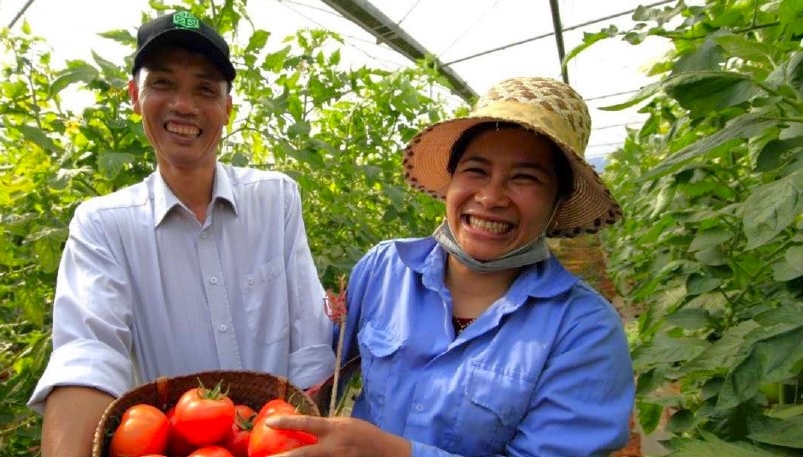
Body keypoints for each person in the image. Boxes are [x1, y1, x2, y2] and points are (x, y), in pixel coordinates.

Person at [266, 77, 634, 457]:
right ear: (450, 183)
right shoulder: (384, 268)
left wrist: (393, 452)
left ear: (557, 202)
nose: (490, 197)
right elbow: (322, 370)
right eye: (476, 170)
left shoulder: (584, 330)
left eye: (525, 178)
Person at [27, 11, 335, 457]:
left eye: (205, 89)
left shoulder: (276, 199)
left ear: (228, 109)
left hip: (276, 440)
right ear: (135, 96)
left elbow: (309, 340)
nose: (184, 105)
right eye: (163, 84)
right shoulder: (102, 225)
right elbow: (89, 354)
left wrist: (300, 437)